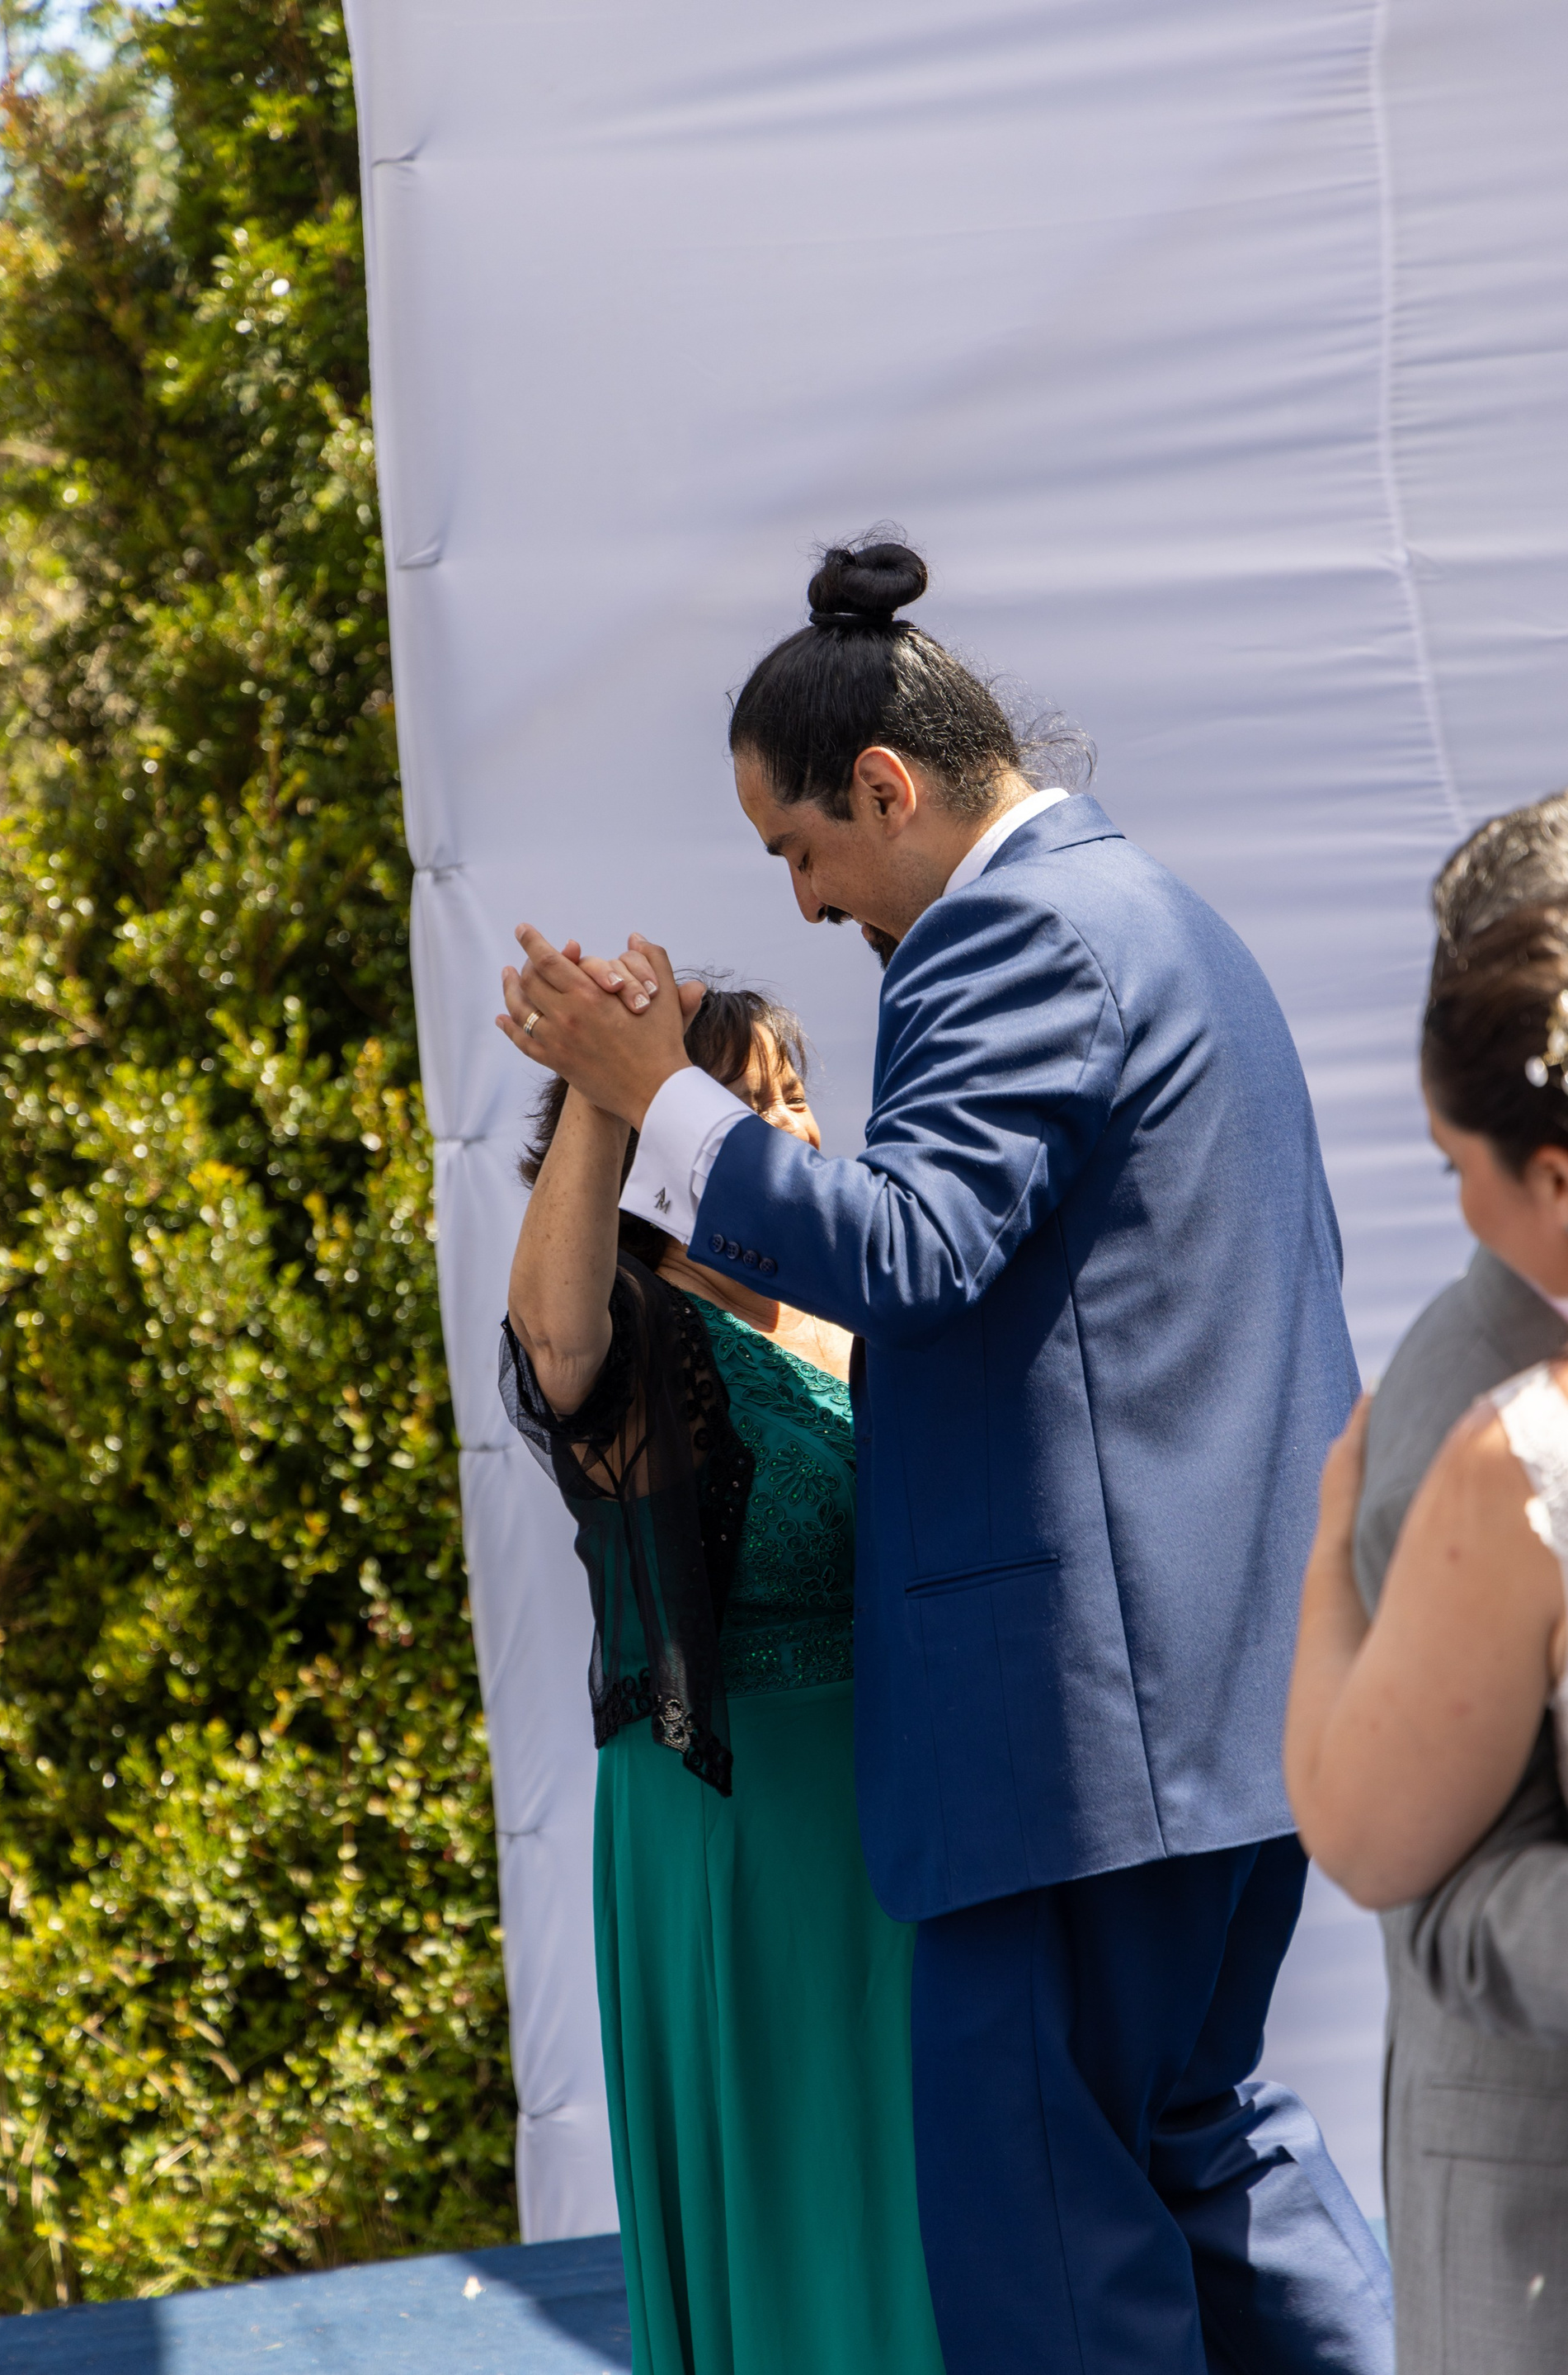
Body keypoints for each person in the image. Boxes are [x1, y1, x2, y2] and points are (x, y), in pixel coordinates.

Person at [496, 536, 1393, 2374]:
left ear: (887, 789)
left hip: (1077, 1743)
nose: (805, 902)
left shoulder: (1013, 934)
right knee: (1208, 2157)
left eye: (797, 848)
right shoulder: (1163, 918)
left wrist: (660, 1092)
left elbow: (913, 1249)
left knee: (1053, 2245)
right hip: (1222, 1713)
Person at [500, 979, 945, 2375]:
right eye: (744, 1101)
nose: (788, 1126)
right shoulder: (642, 1334)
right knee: (803, 2199)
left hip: (905, 1815)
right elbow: (552, 1343)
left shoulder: (867, 1299)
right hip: (741, 1836)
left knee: (925, 2202)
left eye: (793, 1094)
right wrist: (601, 1083)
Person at [1287, 892, 1568, 2374]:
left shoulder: (1510, 1447)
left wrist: (1327, 1556)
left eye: (1458, 1165)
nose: (1460, 1207)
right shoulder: (1477, 1394)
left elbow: (1372, 1833)